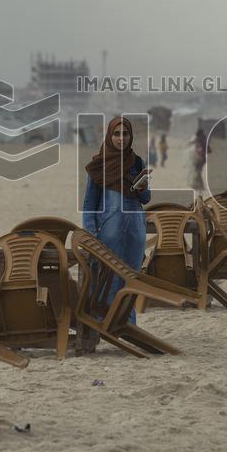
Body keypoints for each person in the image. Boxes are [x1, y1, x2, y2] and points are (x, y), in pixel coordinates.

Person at [82, 116, 151, 324]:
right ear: (109, 136)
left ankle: (127, 324)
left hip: (135, 232)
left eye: (125, 134)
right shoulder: (98, 165)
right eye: (117, 134)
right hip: (108, 233)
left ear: (130, 136)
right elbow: (89, 205)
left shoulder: (137, 162)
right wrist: (91, 234)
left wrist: (142, 189)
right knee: (107, 278)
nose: (121, 138)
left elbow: (146, 198)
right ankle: (104, 322)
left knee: (131, 278)